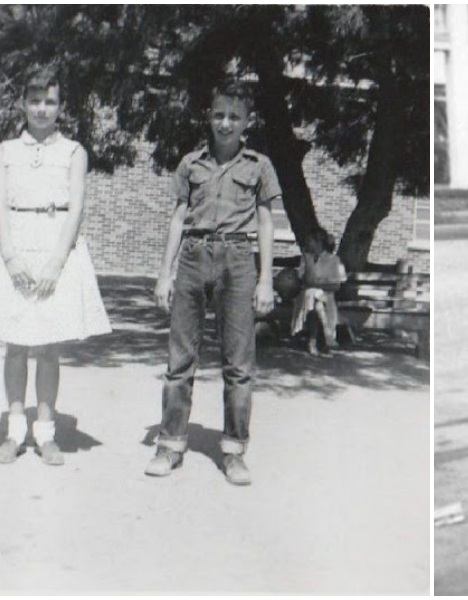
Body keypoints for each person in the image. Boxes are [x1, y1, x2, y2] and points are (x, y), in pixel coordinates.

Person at [0, 66, 112, 466]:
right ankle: (14, 431)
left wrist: (58, 260)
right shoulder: (5, 150)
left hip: (55, 247)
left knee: (48, 346)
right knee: (16, 343)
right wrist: (10, 256)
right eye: (34, 101)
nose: (41, 109)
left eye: (50, 101)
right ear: (23, 103)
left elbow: (76, 209)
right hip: (15, 246)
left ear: (61, 106)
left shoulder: (74, 152)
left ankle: (46, 433)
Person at [147, 79, 277, 486]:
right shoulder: (191, 163)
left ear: (247, 122)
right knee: (180, 361)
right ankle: (170, 444)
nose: (225, 123)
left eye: (234, 117)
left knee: (238, 364)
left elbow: (266, 222)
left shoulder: (259, 166)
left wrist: (266, 280)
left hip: (238, 260)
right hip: (192, 257)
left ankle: (235, 452)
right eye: (219, 115)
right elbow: (177, 217)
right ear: (209, 116)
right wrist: (164, 273)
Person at [291, 227, 346, 356]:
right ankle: (325, 338)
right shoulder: (306, 259)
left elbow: (336, 286)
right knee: (314, 297)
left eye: (310, 241)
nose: (307, 244)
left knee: (317, 299)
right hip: (306, 297)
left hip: (326, 297)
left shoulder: (334, 260)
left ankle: (313, 341)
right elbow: (304, 281)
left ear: (319, 242)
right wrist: (309, 262)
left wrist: (316, 285)